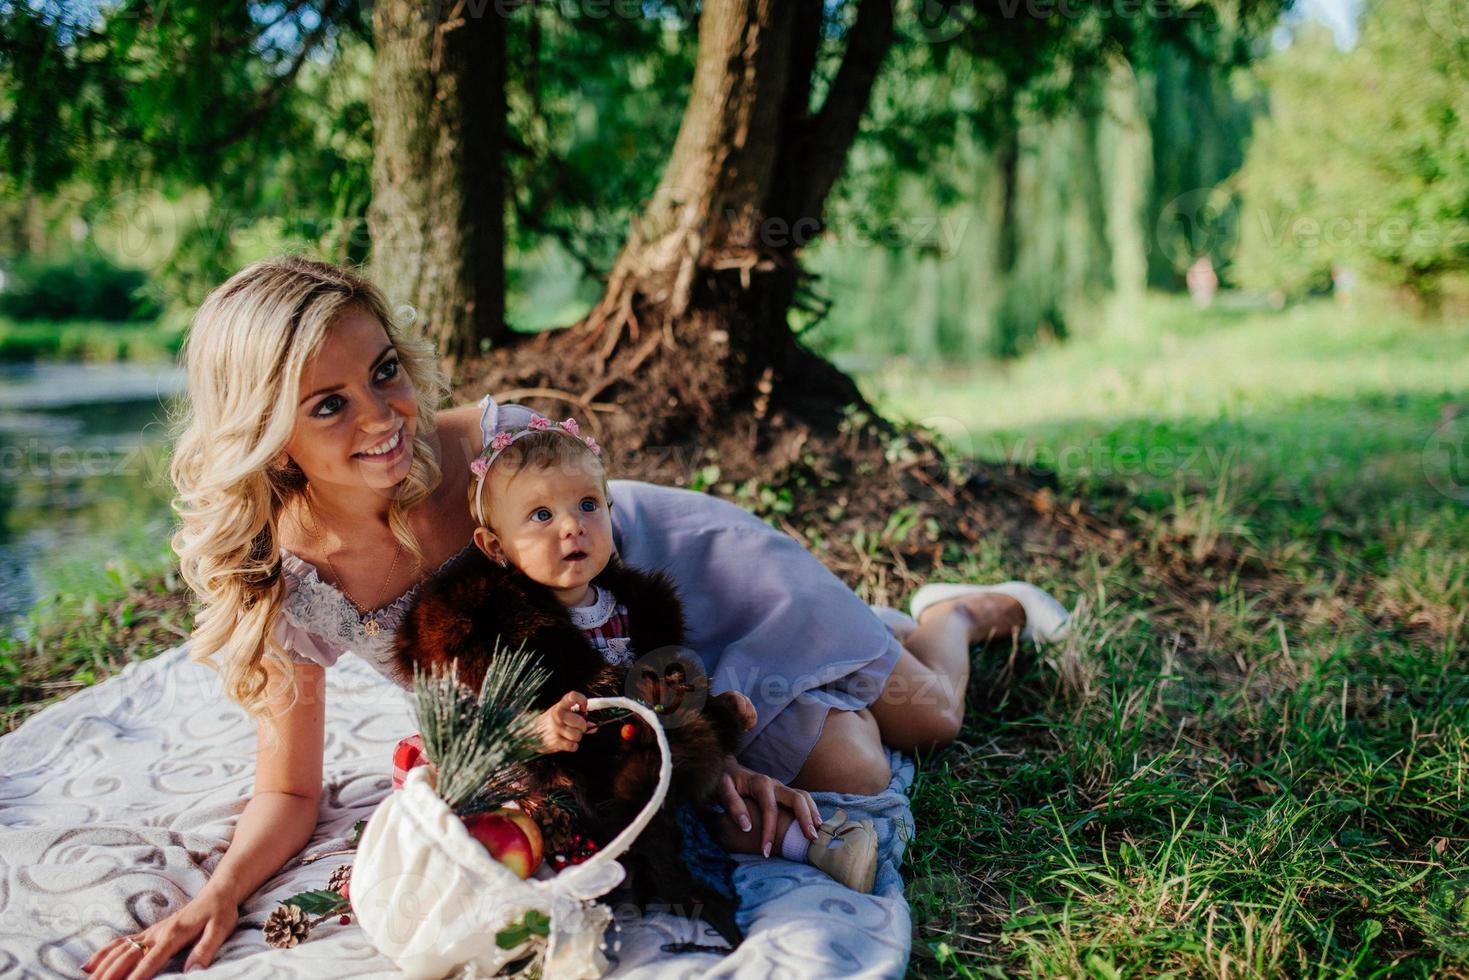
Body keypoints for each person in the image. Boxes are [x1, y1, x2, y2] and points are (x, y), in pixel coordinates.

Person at [83, 257, 1068, 979]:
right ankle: (857, 642)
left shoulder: (488, 446)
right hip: (599, 691)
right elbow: (290, 793)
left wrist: (708, 750)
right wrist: (215, 897)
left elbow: (624, 604)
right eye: (328, 404)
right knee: (850, 762)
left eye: (385, 370)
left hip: (668, 583)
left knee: (927, 717)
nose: (384, 417)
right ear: (265, 428)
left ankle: (957, 612)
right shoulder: (292, 577)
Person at [392, 398, 880, 892]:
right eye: (541, 514)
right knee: (574, 823)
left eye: (588, 505)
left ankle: (817, 841)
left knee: (694, 797)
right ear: (496, 547)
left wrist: (712, 711)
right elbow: (474, 728)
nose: (572, 526)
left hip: (639, 755)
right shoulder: (497, 629)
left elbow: (668, 682)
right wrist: (536, 731)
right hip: (553, 775)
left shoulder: (637, 607)